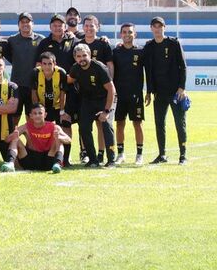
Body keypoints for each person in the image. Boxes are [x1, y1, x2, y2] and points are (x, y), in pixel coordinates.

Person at [143, 16, 188, 165]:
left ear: (164, 27)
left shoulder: (174, 43)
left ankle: (183, 155)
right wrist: (149, 91)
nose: (157, 29)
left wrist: (182, 88)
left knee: (179, 123)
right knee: (159, 123)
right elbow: (147, 70)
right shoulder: (149, 47)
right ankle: (162, 154)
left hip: (176, 92)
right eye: (155, 26)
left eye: (160, 26)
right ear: (151, 28)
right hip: (159, 93)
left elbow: (183, 66)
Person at [35, 14, 79, 162]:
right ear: (50, 27)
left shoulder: (72, 40)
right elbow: (38, 65)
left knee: (65, 122)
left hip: (68, 89)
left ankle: (66, 157)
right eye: (54, 25)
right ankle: (45, 154)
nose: (57, 27)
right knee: (44, 123)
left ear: (65, 26)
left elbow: (83, 50)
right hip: (47, 90)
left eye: (60, 25)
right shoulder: (44, 43)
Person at [67, 44, 117, 167]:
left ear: (89, 55)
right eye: (79, 56)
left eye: (84, 55)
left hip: (105, 99)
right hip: (88, 101)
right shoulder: (75, 68)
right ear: (75, 58)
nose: (82, 58)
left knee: (106, 126)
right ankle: (93, 159)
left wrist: (106, 111)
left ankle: (111, 160)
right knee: (83, 127)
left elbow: (111, 89)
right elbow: (69, 79)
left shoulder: (99, 67)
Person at [74, 14, 114, 163]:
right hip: (86, 95)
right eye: (87, 25)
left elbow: (110, 66)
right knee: (84, 125)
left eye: (92, 25)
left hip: (104, 93)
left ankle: (104, 154)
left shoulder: (103, 44)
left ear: (97, 27)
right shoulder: (77, 43)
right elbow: (71, 75)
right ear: (83, 27)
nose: (89, 28)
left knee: (103, 124)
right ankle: (87, 155)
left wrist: (110, 84)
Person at [3, 103, 71, 173]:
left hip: (48, 159)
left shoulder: (54, 127)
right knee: (15, 139)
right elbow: (6, 140)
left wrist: (59, 137)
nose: (37, 115)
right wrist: (13, 136)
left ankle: (58, 164)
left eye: (40, 113)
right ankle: (10, 163)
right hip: (29, 160)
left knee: (59, 140)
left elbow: (68, 140)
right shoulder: (26, 126)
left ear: (45, 115)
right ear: (31, 116)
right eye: (35, 113)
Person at [113, 23, 145, 165]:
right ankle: (120, 154)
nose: (127, 34)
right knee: (120, 124)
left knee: (137, 124)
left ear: (135, 34)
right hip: (119, 95)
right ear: (121, 34)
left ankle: (139, 154)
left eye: (130, 32)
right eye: (124, 32)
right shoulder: (116, 52)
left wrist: (148, 91)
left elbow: (148, 71)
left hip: (135, 95)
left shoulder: (140, 51)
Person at [7, 12, 44, 125]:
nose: (25, 24)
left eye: (28, 22)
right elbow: (9, 57)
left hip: (33, 87)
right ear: (18, 24)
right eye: (22, 22)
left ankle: (31, 143)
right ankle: (13, 143)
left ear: (33, 24)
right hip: (16, 86)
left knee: (33, 120)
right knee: (13, 121)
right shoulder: (12, 40)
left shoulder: (41, 40)